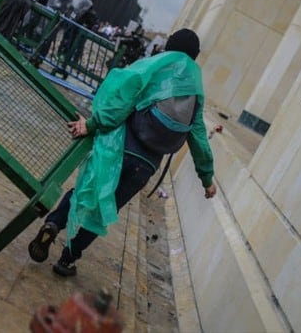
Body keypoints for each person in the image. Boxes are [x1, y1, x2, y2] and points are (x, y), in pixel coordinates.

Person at [28, 29, 217, 276]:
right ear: (196, 56)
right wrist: (207, 179)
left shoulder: (156, 65)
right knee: (105, 210)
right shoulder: (195, 87)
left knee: (89, 189)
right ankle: (67, 260)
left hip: (120, 149)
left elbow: (123, 99)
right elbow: (199, 137)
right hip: (146, 166)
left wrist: (93, 124)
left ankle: (54, 223)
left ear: (169, 45)